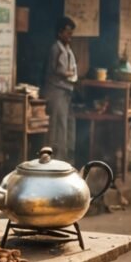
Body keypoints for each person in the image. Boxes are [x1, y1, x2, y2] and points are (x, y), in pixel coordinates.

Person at [44, 17, 78, 159]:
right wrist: (69, 74)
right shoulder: (55, 49)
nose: (70, 35)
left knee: (68, 124)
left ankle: (66, 159)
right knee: (58, 126)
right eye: (67, 32)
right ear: (59, 33)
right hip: (56, 91)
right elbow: (59, 71)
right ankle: (56, 160)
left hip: (66, 92)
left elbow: (72, 70)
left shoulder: (68, 50)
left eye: (71, 32)